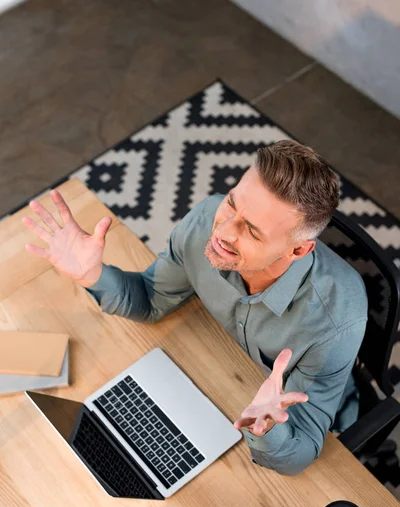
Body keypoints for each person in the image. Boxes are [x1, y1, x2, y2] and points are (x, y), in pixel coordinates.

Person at [22, 140, 368, 476]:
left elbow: (303, 448)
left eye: (251, 231)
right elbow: (152, 300)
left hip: (296, 420)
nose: (223, 231)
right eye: (232, 205)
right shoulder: (206, 219)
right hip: (211, 373)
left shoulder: (336, 320)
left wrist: (265, 429)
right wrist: (92, 274)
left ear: (297, 251)